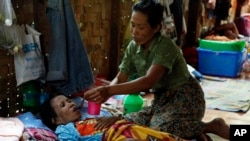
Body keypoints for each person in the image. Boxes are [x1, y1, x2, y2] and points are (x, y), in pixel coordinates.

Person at [83, 0, 230, 140]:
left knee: (160, 129)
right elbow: (121, 77)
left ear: (156, 28)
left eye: (141, 28)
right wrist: (102, 94)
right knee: (128, 121)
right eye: (132, 25)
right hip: (161, 101)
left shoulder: (165, 47)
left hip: (185, 97)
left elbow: (148, 81)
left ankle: (213, 126)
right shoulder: (133, 47)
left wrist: (109, 91)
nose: (134, 32)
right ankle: (193, 132)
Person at [40, 94, 187, 141]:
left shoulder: (84, 120)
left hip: (125, 129)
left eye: (69, 101)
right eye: (63, 105)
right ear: (56, 120)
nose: (71, 104)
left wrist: (116, 120)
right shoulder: (64, 129)